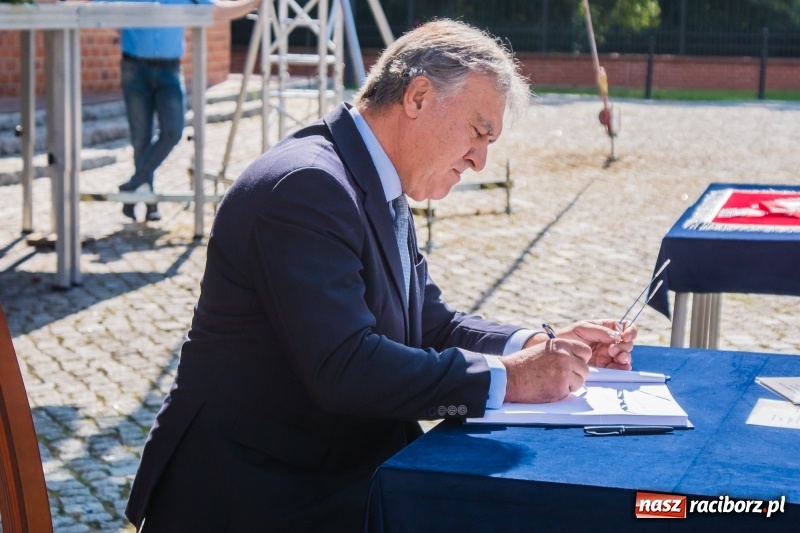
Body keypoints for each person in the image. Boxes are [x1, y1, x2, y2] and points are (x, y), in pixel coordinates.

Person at [125, 19, 637, 532]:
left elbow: (428, 324)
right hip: (257, 493)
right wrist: (514, 378)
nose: (480, 159)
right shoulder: (307, 186)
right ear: (417, 97)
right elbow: (346, 367)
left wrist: (543, 345)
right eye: (479, 132)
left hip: (331, 468)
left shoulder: (369, 174)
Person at [114, 0, 259, 222]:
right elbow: (98, 8)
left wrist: (254, 4)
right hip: (135, 69)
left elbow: (218, 10)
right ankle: (148, 200)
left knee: (173, 131)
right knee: (141, 137)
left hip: (169, 71)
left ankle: (133, 185)